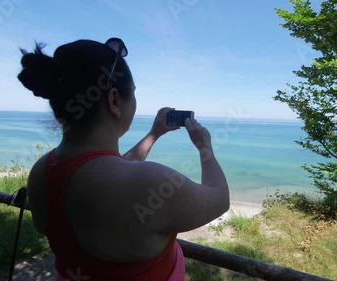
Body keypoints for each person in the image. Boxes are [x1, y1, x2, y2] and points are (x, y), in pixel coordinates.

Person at [18, 38, 230, 281]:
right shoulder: (150, 184)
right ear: (115, 100)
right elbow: (219, 199)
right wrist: (205, 148)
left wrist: (154, 134)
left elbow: (111, 170)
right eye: (134, 94)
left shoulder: (42, 172)